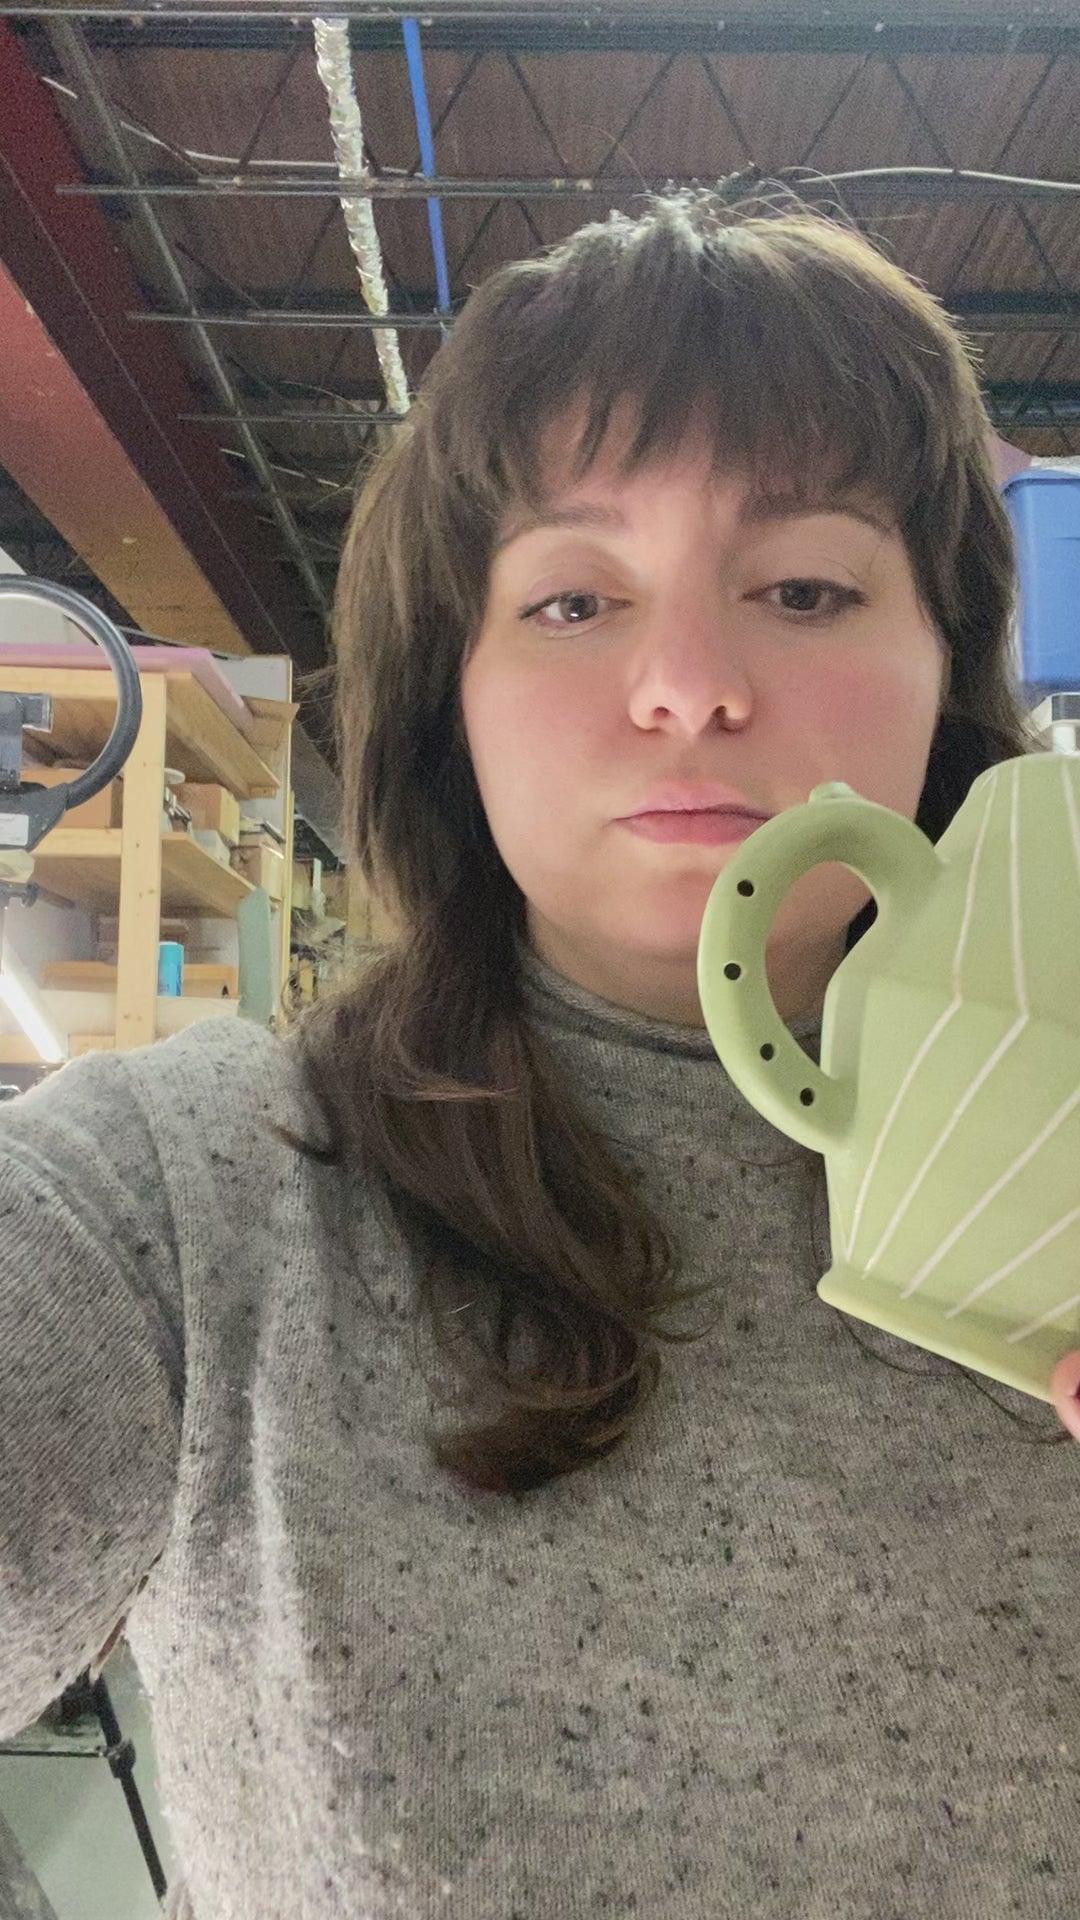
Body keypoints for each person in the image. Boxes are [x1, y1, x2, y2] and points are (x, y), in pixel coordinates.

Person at [1, 180, 1078, 1920]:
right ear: (453, 695)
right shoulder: (193, 1200)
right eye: (574, 601)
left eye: (807, 586)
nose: (689, 685)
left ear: (946, 676)